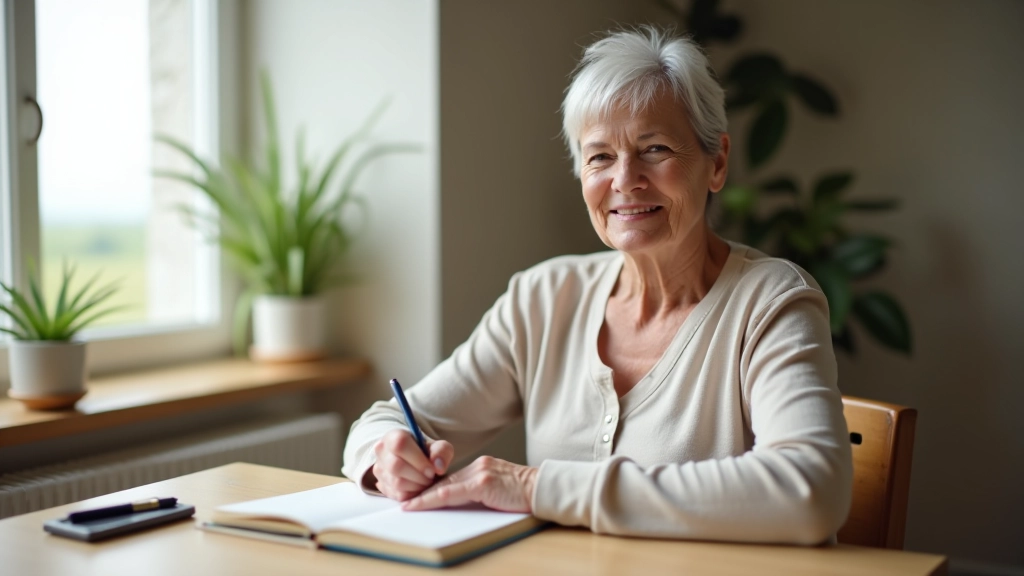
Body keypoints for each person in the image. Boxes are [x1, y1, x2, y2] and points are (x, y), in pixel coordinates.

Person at [342, 26, 852, 545]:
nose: (625, 179)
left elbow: (810, 489)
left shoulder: (773, 302)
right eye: (600, 156)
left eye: (654, 149)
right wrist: (388, 455)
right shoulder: (543, 298)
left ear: (717, 162)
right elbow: (385, 419)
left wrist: (535, 487)